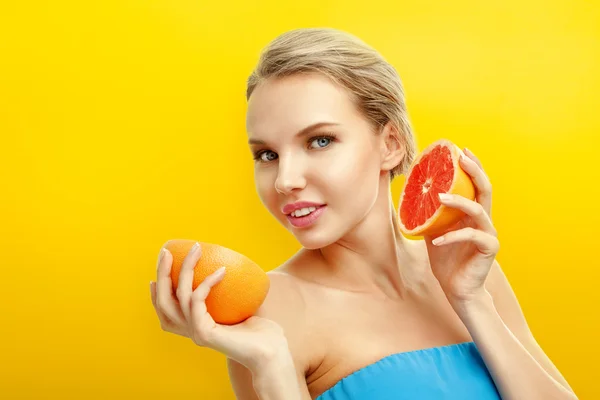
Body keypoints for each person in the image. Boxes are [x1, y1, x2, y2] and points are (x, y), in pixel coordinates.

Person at [150, 28, 577, 400]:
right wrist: (274, 371)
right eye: (266, 154)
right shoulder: (268, 317)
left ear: (390, 144)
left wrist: (472, 302)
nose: (285, 179)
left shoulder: (469, 272)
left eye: (319, 141)